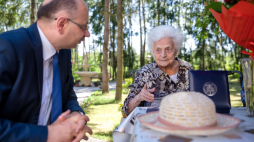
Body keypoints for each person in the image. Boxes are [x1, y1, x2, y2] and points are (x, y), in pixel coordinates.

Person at [0, 0, 93, 141]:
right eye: (84, 27)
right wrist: (48, 134)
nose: (87, 34)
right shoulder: (8, 48)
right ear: (61, 24)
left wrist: (76, 113)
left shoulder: (64, 53)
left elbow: (67, 94)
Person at [122, 25, 194, 116]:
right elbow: (125, 112)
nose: (163, 55)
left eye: (168, 49)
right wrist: (139, 97)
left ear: (176, 51)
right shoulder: (145, 73)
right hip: (154, 126)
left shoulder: (187, 68)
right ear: (153, 52)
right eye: (158, 50)